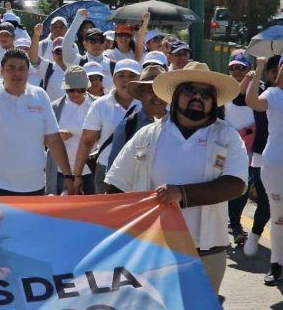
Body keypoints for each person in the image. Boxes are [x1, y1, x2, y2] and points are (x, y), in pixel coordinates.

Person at [106, 61, 247, 295]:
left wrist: (182, 193)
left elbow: (235, 184)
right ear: (176, 95)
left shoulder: (227, 136)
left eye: (205, 94)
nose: (198, 97)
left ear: (213, 101)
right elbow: (116, 187)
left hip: (207, 252)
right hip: (152, 251)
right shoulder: (147, 135)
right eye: (190, 91)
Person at [0, 44, 72, 196]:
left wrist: (68, 175)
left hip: (34, 186)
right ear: (1, 71)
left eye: (21, 68)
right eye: (11, 68)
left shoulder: (40, 95)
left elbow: (54, 140)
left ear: (28, 72)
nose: (16, 73)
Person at [69, 59, 142, 194]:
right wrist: (77, 175)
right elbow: (87, 141)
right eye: (121, 76)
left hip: (141, 171)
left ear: (139, 79)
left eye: (132, 76)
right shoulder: (100, 105)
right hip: (107, 171)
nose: (126, 80)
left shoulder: (147, 104)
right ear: (114, 79)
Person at [245, 55, 283, 286]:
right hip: (275, 165)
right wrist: (259, 68)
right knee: (279, 218)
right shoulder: (273, 94)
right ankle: (276, 264)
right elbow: (251, 102)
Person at [223, 52, 258, 246]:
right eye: (233, 67)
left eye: (242, 68)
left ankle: (235, 223)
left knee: (242, 187)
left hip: (250, 148)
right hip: (226, 147)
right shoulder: (224, 91)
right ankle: (228, 222)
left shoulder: (257, 89)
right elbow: (236, 97)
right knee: (223, 184)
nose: (237, 71)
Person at [106, 65, 167, 169]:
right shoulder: (128, 126)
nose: (157, 96)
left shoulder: (180, 123)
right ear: (140, 94)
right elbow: (113, 173)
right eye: (151, 90)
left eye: (160, 90)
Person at [47, 66, 95, 195]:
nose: (76, 93)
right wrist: (56, 135)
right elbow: (41, 137)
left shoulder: (98, 105)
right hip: (61, 172)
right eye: (71, 90)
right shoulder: (54, 108)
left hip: (91, 171)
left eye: (80, 89)